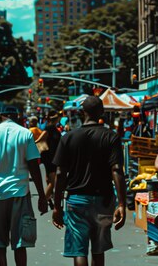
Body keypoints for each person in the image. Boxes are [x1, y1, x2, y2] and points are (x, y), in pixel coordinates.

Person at [51, 96, 126, 266]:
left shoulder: (69, 137)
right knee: (98, 250)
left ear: (82, 112)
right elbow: (116, 170)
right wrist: (121, 203)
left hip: (77, 200)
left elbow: (61, 173)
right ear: (101, 112)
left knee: (79, 250)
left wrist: (56, 206)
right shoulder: (111, 137)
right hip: (103, 200)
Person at [0, 109, 48, 266]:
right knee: (20, 242)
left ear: (0, 116)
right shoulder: (25, 134)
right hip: (19, 193)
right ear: (18, 116)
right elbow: (34, 165)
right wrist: (42, 195)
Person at [40, 111, 62, 207]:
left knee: (49, 179)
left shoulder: (53, 128)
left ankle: (48, 198)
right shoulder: (49, 128)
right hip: (50, 157)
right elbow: (41, 137)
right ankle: (43, 200)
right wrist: (34, 143)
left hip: (50, 157)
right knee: (52, 183)